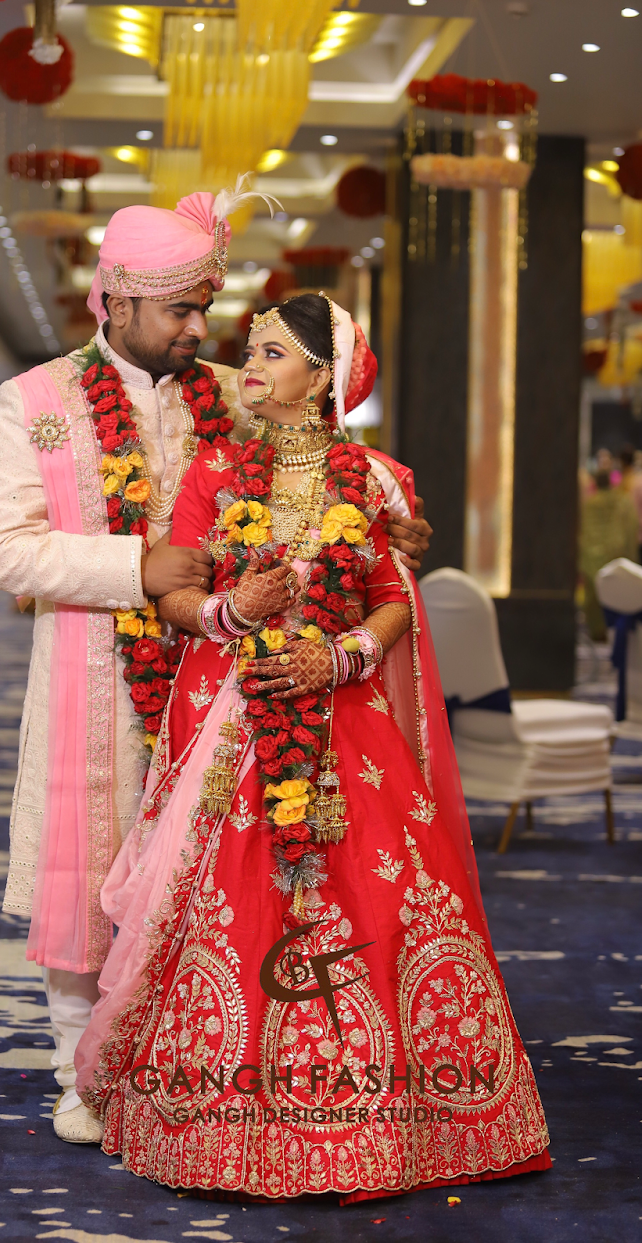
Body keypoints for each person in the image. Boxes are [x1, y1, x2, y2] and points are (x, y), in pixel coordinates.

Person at [0, 189, 433, 1144]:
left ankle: (193, 1047)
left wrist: (389, 527)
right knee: (89, 856)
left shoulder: (232, 389)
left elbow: (323, 471)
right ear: (117, 301)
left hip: (231, 677)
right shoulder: (36, 400)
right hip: (93, 665)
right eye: (179, 310)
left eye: (204, 309)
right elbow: (2, 549)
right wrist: (134, 568)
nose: (198, 329)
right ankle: (78, 1066)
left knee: (209, 864)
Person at [74, 294, 550, 1199]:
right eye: (250, 349)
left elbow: (393, 598)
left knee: (378, 890)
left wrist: (340, 656)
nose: (249, 366)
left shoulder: (376, 479)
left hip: (347, 716)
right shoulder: (217, 467)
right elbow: (175, 592)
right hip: (237, 714)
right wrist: (229, 611)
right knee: (225, 895)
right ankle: (221, 1109)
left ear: (322, 377)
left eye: (272, 353)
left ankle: (386, 1117)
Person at [579, 467, 639, 640]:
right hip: (616, 557)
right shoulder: (622, 502)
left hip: (591, 560)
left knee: (595, 599)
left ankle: (599, 633)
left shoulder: (590, 504)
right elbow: (629, 530)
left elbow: (584, 531)